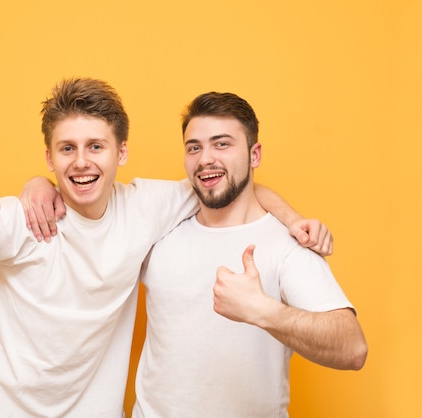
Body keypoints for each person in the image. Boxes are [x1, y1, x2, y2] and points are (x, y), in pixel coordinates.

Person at [0, 77, 330, 417]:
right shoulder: (27, 215)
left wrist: (294, 221)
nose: (81, 162)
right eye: (67, 148)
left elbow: (230, 182)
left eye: (96, 147)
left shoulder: (145, 206)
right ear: (49, 159)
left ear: (121, 152)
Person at [131, 92, 368, 417]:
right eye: (194, 147)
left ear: (254, 155)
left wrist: (263, 311)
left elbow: (353, 348)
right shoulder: (161, 228)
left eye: (222, 144)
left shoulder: (288, 243)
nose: (205, 159)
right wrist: (38, 186)